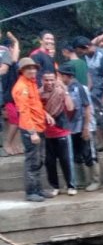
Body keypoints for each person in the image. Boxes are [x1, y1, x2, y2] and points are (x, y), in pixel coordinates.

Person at [13, 57, 55, 202]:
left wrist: (46, 114)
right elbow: (24, 112)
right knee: (32, 161)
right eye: (28, 68)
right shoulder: (21, 87)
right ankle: (31, 192)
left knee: (39, 161)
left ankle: (38, 189)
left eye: (34, 68)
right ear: (22, 71)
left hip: (39, 127)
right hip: (31, 130)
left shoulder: (31, 83)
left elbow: (36, 105)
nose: (32, 70)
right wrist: (32, 133)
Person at [59, 62, 99, 192]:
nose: (58, 78)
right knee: (76, 155)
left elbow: (87, 108)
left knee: (89, 153)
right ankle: (81, 180)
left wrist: (86, 128)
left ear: (67, 76)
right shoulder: (65, 89)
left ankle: (95, 180)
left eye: (60, 75)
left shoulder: (79, 88)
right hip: (72, 128)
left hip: (84, 126)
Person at [40, 70, 77, 196]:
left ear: (56, 80)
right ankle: (55, 186)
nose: (49, 82)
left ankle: (71, 186)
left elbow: (71, 108)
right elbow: (37, 109)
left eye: (52, 80)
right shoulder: (39, 94)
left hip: (62, 131)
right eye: (46, 80)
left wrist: (66, 92)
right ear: (42, 81)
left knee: (66, 160)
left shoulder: (61, 92)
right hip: (47, 133)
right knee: (50, 162)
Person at [1, 32, 21, 156]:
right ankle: (7, 144)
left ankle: (14, 144)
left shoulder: (14, 64)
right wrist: (15, 40)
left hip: (15, 96)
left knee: (14, 121)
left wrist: (15, 41)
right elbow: (14, 56)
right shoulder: (8, 60)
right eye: (13, 49)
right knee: (14, 121)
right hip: (9, 96)